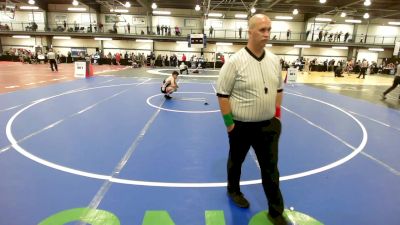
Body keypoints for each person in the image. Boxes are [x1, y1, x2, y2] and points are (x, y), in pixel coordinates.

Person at [216, 14, 291, 225]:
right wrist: (230, 124)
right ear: (250, 32)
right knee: (236, 161)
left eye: (269, 29)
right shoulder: (234, 62)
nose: (267, 34)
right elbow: (222, 95)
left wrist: (276, 117)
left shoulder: (274, 60)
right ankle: (233, 190)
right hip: (240, 125)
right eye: (262, 30)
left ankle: (276, 211)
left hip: (268, 126)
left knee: (271, 169)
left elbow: (278, 89)